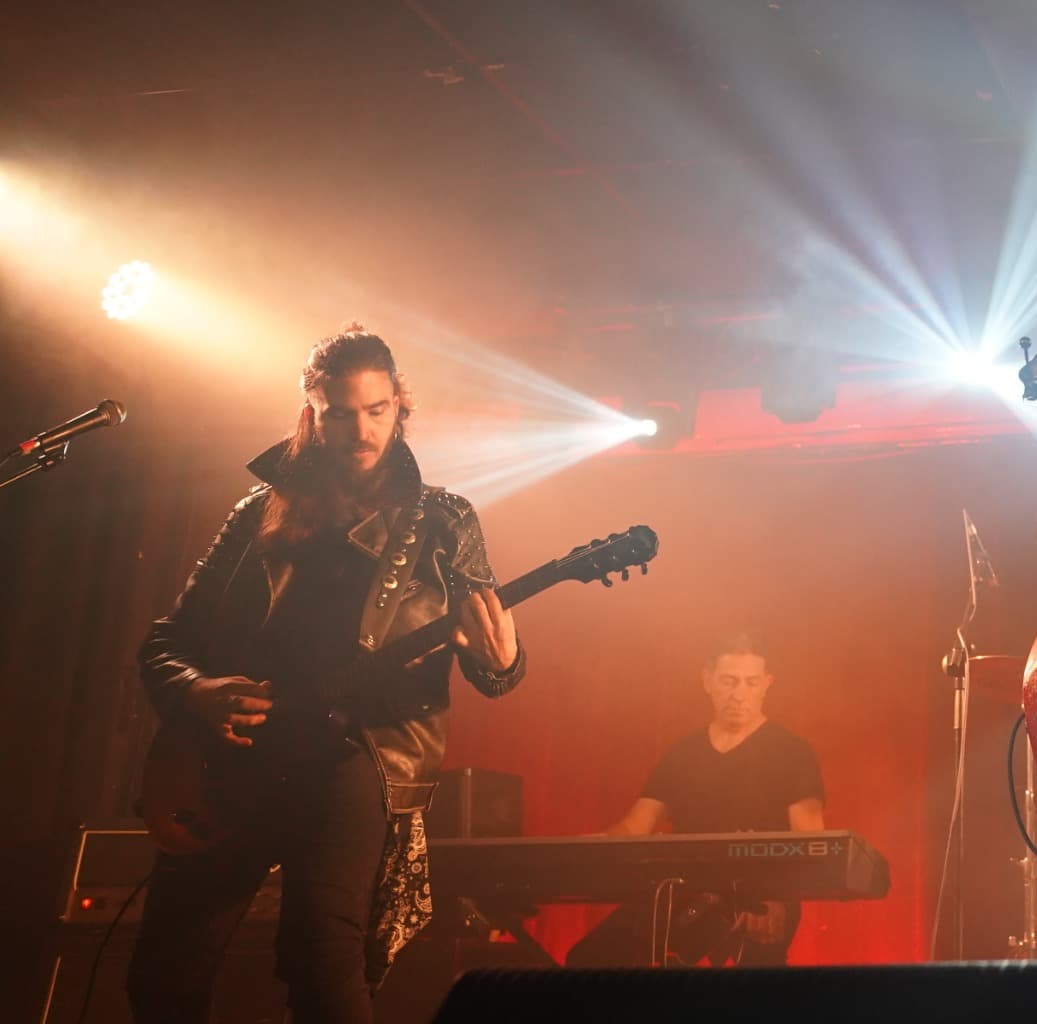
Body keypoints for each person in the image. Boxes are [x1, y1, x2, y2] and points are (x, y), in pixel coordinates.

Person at [131, 326, 525, 1023]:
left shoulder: (444, 521)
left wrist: (503, 661)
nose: (361, 431)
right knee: (164, 970)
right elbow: (167, 641)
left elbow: (491, 666)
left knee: (322, 962)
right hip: (236, 759)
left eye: (377, 410)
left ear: (401, 405)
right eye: (341, 413)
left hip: (354, 757)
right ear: (312, 413)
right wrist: (198, 692)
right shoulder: (257, 513)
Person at [566, 632, 827, 966]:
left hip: (760, 896)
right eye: (729, 681)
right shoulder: (683, 754)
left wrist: (776, 898)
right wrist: (590, 847)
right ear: (707, 681)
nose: (739, 694)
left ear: (766, 685)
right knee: (588, 960)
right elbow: (636, 826)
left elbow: (809, 841)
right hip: (681, 891)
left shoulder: (792, 752)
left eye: (750, 683)